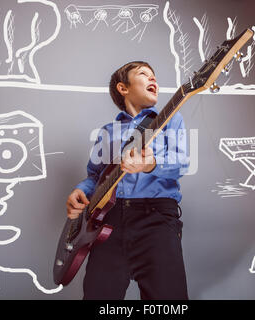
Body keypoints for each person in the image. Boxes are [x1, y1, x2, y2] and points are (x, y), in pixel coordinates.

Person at [66, 61, 190, 300]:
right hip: (108, 224)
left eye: (154, 75)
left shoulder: (170, 119)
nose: (153, 79)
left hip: (156, 218)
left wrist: (149, 164)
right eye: (144, 74)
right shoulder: (107, 131)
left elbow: (182, 163)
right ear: (123, 88)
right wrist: (79, 191)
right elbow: (95, 176)